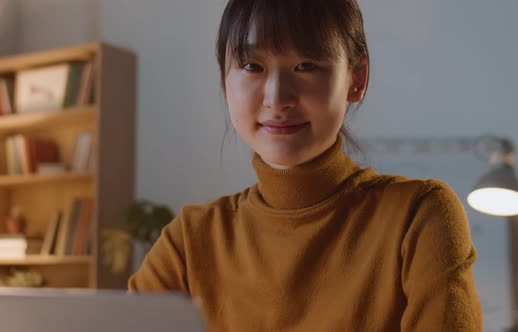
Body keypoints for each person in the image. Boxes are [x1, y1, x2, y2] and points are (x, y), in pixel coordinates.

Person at [128, 0, 483, 331]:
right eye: (252, 66)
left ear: (356, 77)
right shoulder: (188, 243)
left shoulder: (418, 217)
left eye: (307, 66)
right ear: (224, 80)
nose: (278, 98)